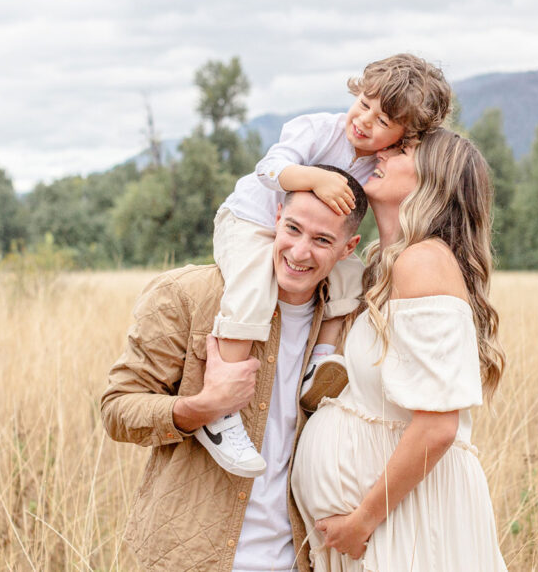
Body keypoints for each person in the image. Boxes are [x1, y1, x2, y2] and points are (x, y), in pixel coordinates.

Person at [201, 53, 452, 478]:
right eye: (364, 104)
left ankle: (319, 362)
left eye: (383, 120)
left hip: (308, 240)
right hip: (251, 220)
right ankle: (221, 407)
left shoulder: (379, 164)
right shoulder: (319, 129)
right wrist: (314, 178)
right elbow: (269, 169)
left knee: (350, 276)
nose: (365, 121)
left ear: (403, 136)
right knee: (252, 287)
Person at [101, 174, 368, 572]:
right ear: (276, 218)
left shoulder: (353, 322)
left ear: (349, 248)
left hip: (302, 557)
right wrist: (201, 408)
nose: (299, 251)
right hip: (193, 556)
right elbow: (117, 408)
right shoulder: (187, 294)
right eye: (293, 229)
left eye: (322, 240)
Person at [292, 129, 509, 571]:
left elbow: (438, 426)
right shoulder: (387, 266)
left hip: (407, 523)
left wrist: (362, 520)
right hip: (384, 525)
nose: (382, 153)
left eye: (403, 149)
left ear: (433, 181)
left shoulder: (423, 262)